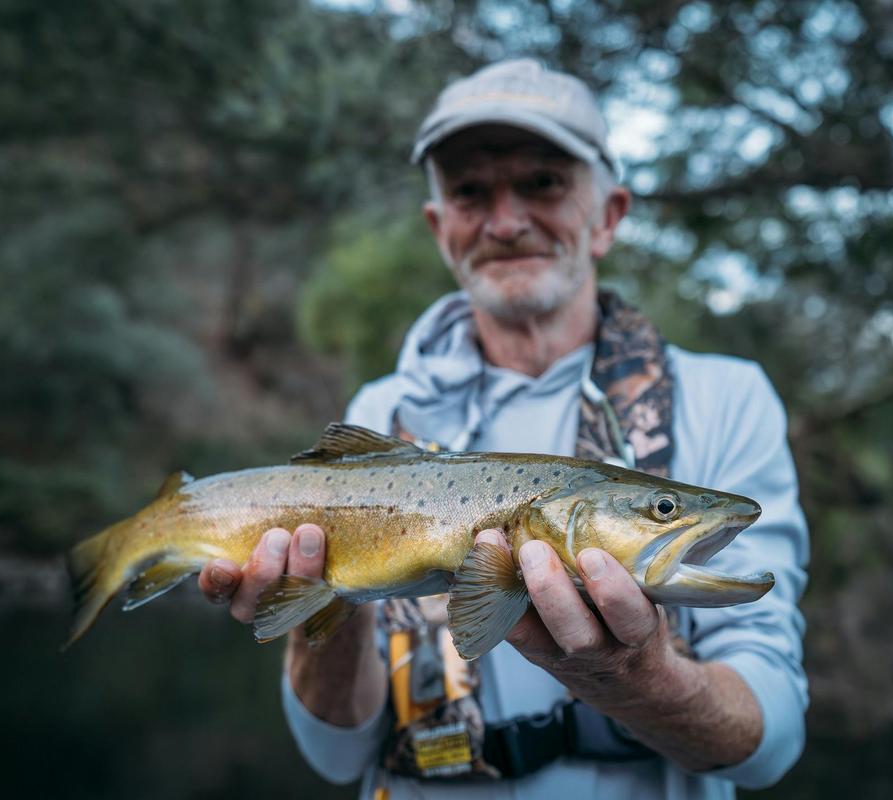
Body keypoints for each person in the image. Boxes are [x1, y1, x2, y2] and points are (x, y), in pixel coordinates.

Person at [197, 59, 809, 799]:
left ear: (609, 215)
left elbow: (770, 743)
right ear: (440, 227)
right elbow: (335, 758)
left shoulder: (727, 397)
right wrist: (321, 605)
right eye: (469, 191)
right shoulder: (376, 415)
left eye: (543, 183)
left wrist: (638, 679)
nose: (506, 220)